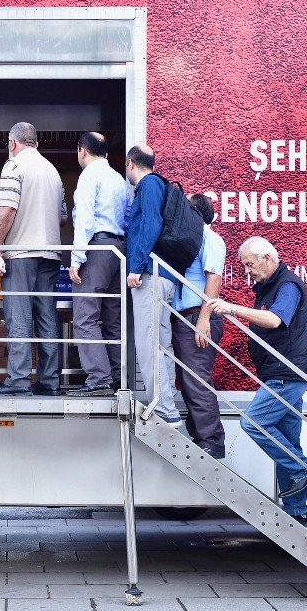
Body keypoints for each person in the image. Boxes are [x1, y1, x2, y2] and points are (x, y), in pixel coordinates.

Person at [208, 236, 307, 525]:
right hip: (280, 372)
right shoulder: (271, 285)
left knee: (253, 422)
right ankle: (297, 511)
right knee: (288, 440)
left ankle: (302, 468)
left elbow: (274, 320)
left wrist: (232, 308)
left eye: (250, 265)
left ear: (268, 258)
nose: (248, 271)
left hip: (286, 374)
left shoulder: (288, 285)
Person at [0, 122, 67, 396]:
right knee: (47, 317)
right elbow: (62, 216)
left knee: (18, 316)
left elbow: (7, 210)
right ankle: (49, 381)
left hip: (21, 252)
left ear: (12, 143)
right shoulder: (53, 171)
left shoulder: (14, 167)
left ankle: (19, 381)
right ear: (36, 142)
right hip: (50, 254)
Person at [67, 132, 132, 396]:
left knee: (85, 316)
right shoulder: (118, 178)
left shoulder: (89, 176)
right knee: (113, 317)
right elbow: (127, 216)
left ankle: (98, 378)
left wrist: (76, 258)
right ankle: (117, 375)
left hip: (96, 248)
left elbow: (84, 219)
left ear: (82, 150)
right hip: (118, 249)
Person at [125, 144, 180, 425]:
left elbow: (149, 224)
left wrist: (134, 266)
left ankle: (163, 410)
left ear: (130, 163)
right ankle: (167, 407)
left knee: (148, 345)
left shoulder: (148, 185)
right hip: (165, 277)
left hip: (150, 274)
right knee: (161, 345)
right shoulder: (159, 185)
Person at [171, 194, 226, 456]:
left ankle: (212, 441)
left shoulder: (211, 239)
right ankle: (201, 436)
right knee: (188, 380)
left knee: (197, 380)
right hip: (186, 317)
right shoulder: (190, 239)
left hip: (198, 317)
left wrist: (203, 320)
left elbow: (213, 280)